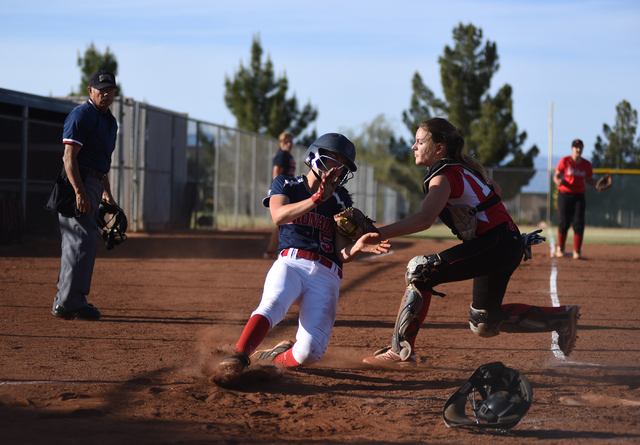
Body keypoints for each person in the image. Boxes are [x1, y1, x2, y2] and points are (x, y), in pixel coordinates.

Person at [361, 118, 579, 368]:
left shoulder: (444, 175)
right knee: (484, 321)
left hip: (496, 243)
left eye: (420, 141)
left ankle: (401, 352)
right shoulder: (464, 169)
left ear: (439, 147)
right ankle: (563, 318)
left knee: (420, 271)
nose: (414, 146)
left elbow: (424, 219)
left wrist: (377, 233)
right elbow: (495, 189)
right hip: (504, 243)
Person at [213, 133, 390, 385]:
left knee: (309, 353)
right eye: (333, 160)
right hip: (291, 263)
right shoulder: (286, 184)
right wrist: (317, 198)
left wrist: (358, 246)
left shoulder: (341, 199)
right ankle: (238, 357)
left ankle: (273, 359)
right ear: (315, 156)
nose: (338, 169)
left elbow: (341, 253)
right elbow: (278, 216)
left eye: (343, 166)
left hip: (327, 275)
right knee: (273, 304)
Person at [50, 70, 120, 321]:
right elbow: (69, 158)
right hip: (76, 181)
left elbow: (102, 162)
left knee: (81, 242)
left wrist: (106, 193)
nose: (106, 93)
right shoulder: (81, 115)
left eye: (110, 89)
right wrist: (80, 191)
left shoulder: (110, 121)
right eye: (101, 89)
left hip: (93, 182)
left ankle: (66, 300)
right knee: (81, 241)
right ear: (90, 90)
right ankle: (71, 302)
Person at [552, 139, 601, 260]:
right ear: (572, 149)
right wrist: (557, 181)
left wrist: (597, 184)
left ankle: (577, 251)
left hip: (579, 196)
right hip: (564, 194)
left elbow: (589, 179)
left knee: (579, 222)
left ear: (582, 149)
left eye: (580, 147)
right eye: (576, 147)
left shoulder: (586, 164)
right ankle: (561, 248)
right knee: (564, 222)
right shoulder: (565, 161)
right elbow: (556, 175)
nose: (578, 149)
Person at [263, 131, 296, 259]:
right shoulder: (282, 156)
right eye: (285, 142)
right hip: (281, 192)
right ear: (280, 143)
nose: (289, 144)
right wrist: (279, 191)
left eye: (290, 141)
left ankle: (272, 251)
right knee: (284, 221)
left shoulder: (288, 156)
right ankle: (272, 251)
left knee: (285, 222)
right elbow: (276, 174)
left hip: (286, 191)